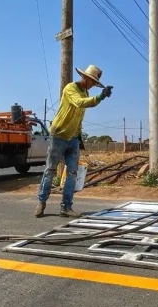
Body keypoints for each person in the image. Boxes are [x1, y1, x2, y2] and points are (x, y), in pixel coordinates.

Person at [36, 65, 113, 218]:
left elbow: (79, 117)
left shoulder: (86, 92)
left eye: (94, 83)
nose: (92, 84)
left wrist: (79, 137)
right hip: (58, 135)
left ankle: (66, 207)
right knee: (50, 170)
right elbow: (79, 103)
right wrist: (100, 97)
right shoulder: (70, 88)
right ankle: (41, 201)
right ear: (85, 77)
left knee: (72, 173)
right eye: (91, 81)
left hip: (72, 138)